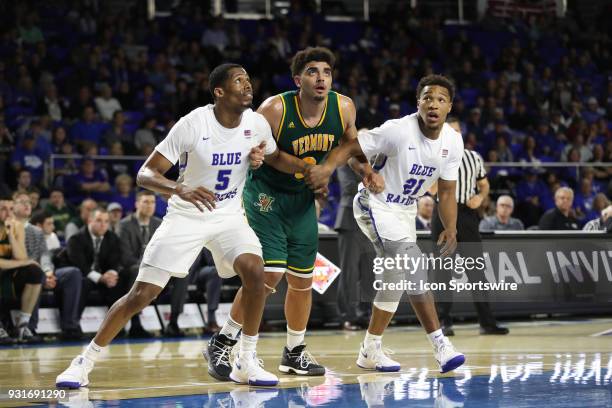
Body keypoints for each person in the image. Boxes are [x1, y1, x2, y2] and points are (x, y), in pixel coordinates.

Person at [56, 63, 308, 389]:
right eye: (238, 81)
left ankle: (246, 359)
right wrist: (179, 187)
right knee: (141, 293)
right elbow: (145, 174)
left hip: (228, 215)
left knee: (256, 273)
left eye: (248, 79)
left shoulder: (257, 124)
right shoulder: (192, 124)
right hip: (186, 214)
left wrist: (305, 168)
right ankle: (83, 362)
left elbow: (273, 157)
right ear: (219, 92)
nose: (248, 85)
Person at [205, 47, 378, 379]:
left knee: (302, 280)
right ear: (298, 80)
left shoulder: (343, 107)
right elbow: (265, 154)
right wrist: (311, 169)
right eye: (313, 72)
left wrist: (366, 170)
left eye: (326, 72)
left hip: (301, 199)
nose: (321, 78)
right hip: (265, 196)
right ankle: (223, 340)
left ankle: (294, 351)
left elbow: (352, 146)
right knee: (269, 274)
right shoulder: (274, 109)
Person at [305, 74, 465, 373]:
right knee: (413, 264)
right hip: (375, 204)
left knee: (394, 280)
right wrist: (328, 167)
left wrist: (451, 226)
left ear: (449, 107)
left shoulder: (453, 142)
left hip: (405, 211)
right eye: (428, 97)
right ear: (418, 103)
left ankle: (370, 349)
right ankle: (440, 344)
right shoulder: (398, 130)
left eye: (441, 99)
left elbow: (446, 191)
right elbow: (352, 147)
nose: (433, 104)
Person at [431, 117, 508, 336]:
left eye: (457, 132)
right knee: (442, 272)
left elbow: (484, 184)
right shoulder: (435, 156)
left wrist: (481, 197)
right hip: (443, 214)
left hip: (466, 214)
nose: (454, 136)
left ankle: (487, 323)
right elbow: (429, 188)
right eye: (450, 132)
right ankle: (443, 323)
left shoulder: (474, 157)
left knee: (476, 271)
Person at [14, 193, 84, 340]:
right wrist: (42, 274)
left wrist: (48, 272)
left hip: (40, 272)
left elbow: (45, 256)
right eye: (22, 202)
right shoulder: (8, 228)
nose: (27, 204)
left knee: (73, 273)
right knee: (35, 274)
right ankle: (29, 329)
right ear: (11, 206)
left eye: (28, 202)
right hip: (20, 273)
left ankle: (70, 327)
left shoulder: (36, 231)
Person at [117, 191, 167, 337]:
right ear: (137, 204)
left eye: (152, 202)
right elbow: (126, 257)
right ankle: (135, 322)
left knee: (182, 276)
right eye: (145, 202)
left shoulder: (159, 224)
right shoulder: (124, 224)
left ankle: (174, 321)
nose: (149, 206)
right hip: (129, 269)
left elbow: (163, 251)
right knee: (135, 271)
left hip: (154, 268)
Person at [335, 161, 375, 331]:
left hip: (369, 223)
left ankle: (365, 314)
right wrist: (372, 180)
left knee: (369, 273)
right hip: (349, 222)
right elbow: (349, 188)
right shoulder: (344, 165)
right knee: (349, 272)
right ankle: (347, 317)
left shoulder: (374, 167)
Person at [0, 196, 45, 344]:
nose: (8, 213)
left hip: (7, 273)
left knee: (35, 271)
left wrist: (11, 234)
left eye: (11, 209)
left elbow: (21, 256)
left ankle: (22, 326)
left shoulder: (16, 226)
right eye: (3, 209)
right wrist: (21, 263)